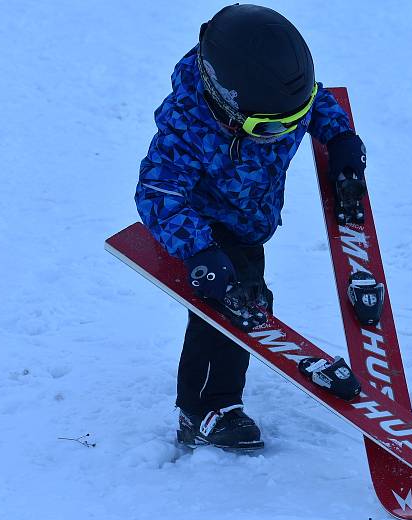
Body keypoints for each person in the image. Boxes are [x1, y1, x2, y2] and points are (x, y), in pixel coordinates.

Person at [135, 4, 367, 451]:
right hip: (205, 228)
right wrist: (200, 252)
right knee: (226, 311)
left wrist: (340, 139)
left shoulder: (277, 101)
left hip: (250, 222)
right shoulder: (187, 126)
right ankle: (204, 409)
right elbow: (157, 191)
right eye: (271, 127)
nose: (285, 132)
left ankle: (216, 395)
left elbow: (316, 103)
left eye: (294, 121)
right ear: (225, 104)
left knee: (249, 300)